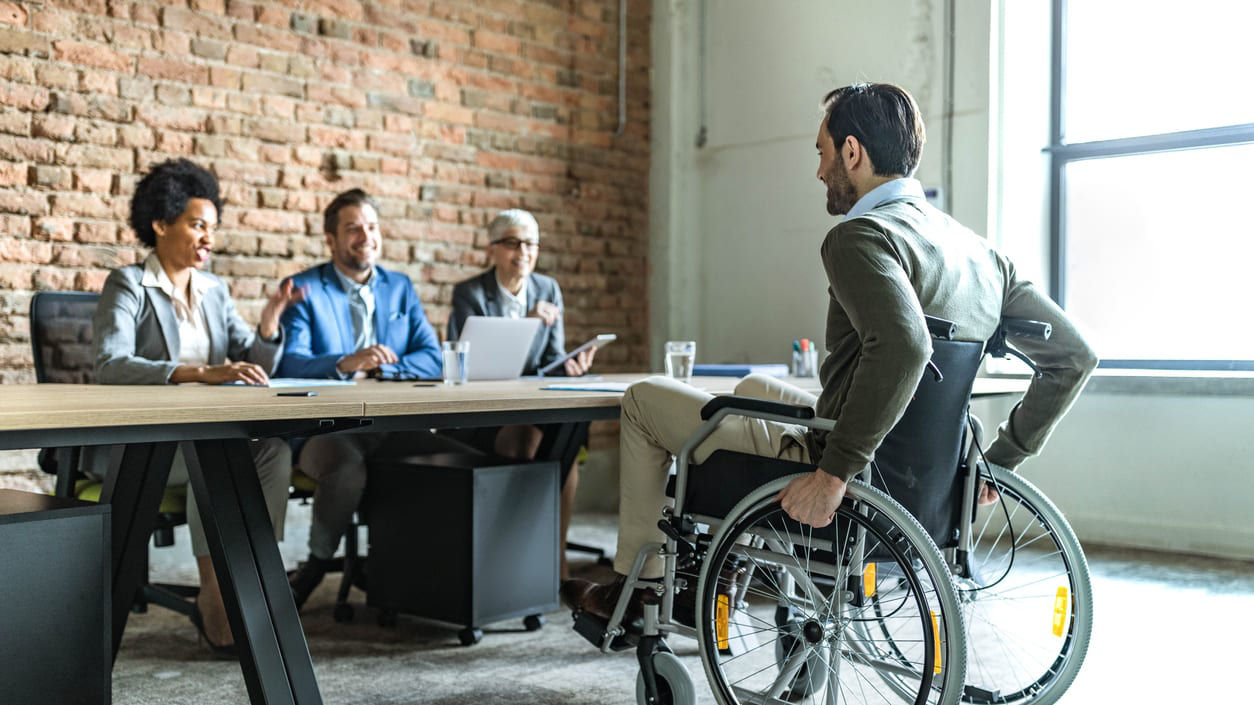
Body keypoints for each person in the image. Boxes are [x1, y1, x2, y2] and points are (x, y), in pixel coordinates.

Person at [561, 82, 1099, 619]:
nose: (819, 171)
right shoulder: (982, 255)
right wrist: (999, 461)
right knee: (751, 390)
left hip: (849, 467)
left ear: (851, 151)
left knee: (640, 400)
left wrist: (833, 475)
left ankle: (636, 588)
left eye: (821, 152)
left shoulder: (862, 235)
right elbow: (1074, 356)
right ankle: (720, 569)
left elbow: (906, 346)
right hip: (927, 478)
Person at [93, 158, 302, 656]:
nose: (209, 238)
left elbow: (248, 363)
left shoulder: (214, 290)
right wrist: (199, 372)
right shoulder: (128, 285)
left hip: (207, 435)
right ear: (161, 224)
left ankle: (251, 581)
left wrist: (269, 325)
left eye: (213, 227)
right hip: (146, 447)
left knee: (272, 449)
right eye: (197, 225)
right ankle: (215, 597)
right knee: (216, 456)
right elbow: (110, 364)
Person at [278, 188, 471, 608]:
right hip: (324, 429)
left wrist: (384, 368)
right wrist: (346, 363)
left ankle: (419, 572)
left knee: (457, 460)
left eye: (371, 226)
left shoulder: (399, 287)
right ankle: (314, 566)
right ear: (330, 239)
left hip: (389, 425)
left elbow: (429, 355)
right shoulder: (304, 289)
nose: (365, 236)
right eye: (352, 229)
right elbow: (289, 363)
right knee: (346, 466)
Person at [447, 209, 596, 579]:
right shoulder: (470, 293)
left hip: (535, 404)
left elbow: (549, 360)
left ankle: (554, 558)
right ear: (492, 249)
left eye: (530, 244)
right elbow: (474, 364)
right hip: (484, 410)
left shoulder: (548, 289)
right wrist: (526, 322)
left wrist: (570, 366)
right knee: (528, 438)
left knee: (569, 432)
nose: (523, 252)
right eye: (512, 243)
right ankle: (524, 556)